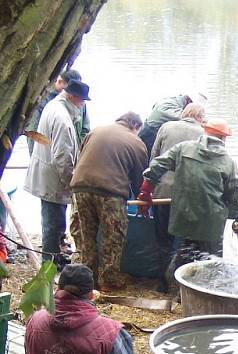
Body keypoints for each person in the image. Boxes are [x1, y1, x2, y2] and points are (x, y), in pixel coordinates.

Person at [138, 119, 238, 279]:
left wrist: (145, 193)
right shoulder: (228, 163)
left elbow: (155, 168)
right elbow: (234, 197)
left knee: (187, 249)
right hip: (211, 222)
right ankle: (199, 290)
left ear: (205, 132)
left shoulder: (183, 148)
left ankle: (167, 285)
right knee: (211, 261)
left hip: (184, 216)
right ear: (223, 139)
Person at [69, 112, 148, 290]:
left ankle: (87, 278)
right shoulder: (136, 142)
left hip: (80, 188)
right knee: (113, 236)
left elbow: (80, 158)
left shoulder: (95, 131)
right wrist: (141, 198)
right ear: (136, 127)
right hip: (110, 193)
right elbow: (139, 180)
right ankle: (109, 280)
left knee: (86, 236)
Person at [24, 80, 91, 266]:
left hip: (47, 175)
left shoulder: (53, 106)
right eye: (82, 100)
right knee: (53, 224)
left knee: (53, 222)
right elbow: (62, 157)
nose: (83, 105)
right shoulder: (62, 119)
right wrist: (70, 182)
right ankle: (49, 262)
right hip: (53, 179)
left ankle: (53, 257)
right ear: (73, 97)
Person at [149, 103, 207, 292]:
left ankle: (162, 284)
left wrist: (148, 188)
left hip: (163, 192)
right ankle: (182, 284)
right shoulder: (204, 133)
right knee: (186, 240)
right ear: (201, 117)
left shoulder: (166, 127)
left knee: (163, 240)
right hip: (189, 196)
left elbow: (154, 158)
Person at [26, 69, 90, 154]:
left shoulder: (79, 100)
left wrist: (79, 151)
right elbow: (33, 132)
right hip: (50, 154)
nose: (72, 94)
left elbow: (85, 130)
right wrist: (35, 155)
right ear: (59, 82)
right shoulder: (43, 102)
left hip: (74, 154)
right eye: (69, 89)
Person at [138, 91, 206, 156]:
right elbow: (188, 117)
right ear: (189, 101)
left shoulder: (174, 100)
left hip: (154, 131)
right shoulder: (170, 106)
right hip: (149, 134)